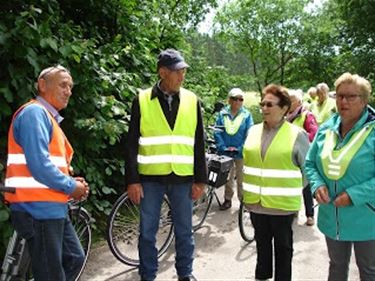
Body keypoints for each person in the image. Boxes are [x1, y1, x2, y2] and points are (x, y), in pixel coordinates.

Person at [125, 49, 206, 281]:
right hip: (150, 179)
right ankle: (148, 275)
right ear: (162, 72)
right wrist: (132, 180)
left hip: (182, 177)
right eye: (178, 71)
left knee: (184, 231)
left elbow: (198, 142)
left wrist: (201, 179)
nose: (182, 76)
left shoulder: (192, 100)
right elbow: (131, 144)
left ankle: (185, 273)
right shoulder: (141, 100)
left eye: (184, 71)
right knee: (148, 232)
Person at [4, 65, 89, 281]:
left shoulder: (47, 118)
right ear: (42, 85)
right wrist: (71, 187)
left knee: (74, 259)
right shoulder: (34, 113)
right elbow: (40, 166)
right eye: (63, 85)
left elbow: (47, 165)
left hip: (51, 208)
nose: (68, 91)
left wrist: (69, 181)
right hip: (37, 210)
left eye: (70, 86)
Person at [304, 72, 375, 281]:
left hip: (367, 217)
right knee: (336, 266)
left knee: (369, 271)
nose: (343, 101)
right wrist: (317, 185)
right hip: (331, 217)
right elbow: (310, 163)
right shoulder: (326, 128)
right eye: (340, 96)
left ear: (363, 100)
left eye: (351, 96)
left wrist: (354, 195)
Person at [242, 84, 309, 281]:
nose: (264, 108)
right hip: (256, 204)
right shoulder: (252, 131)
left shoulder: (297, 135)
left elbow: (308, 170)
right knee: (261, 249)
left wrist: (291, 189)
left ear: (284, 108)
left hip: (282, 207)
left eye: (269, 104)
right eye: (262, 103)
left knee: (284, 250)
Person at [214, 88, 253, 210]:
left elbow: (249, 132)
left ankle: (243, 202)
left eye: (240, 99)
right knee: (227, 178)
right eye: (235, 99)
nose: (238, 101)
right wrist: (222, 147)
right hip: (225, 152)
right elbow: (217, 131)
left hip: (240, 152)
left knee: (242, 178)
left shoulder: (247, 115)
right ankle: (227, 199)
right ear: (229, 100)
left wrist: (241, 148)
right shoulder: (222, 114)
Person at [287, 89, 318, 226]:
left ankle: (310, 215)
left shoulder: (306, 115)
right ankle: (293, 209)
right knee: (291, 182)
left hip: (304, 153)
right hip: (288, 154)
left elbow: (314, 132)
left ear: (298, 102)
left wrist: (300, 139)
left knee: (306, 184)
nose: (288, 102)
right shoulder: (285, 116)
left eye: (291, 100)